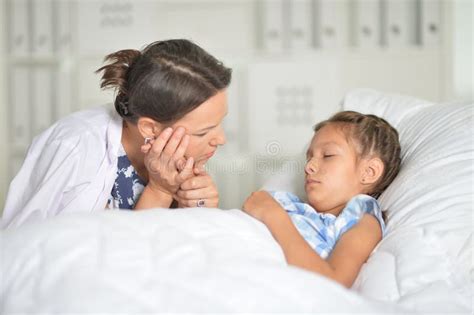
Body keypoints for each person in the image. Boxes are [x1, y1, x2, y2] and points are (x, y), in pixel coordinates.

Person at [2, 39, 232, 229]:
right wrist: (160, 191)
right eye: (203, 132)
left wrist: (196, 211)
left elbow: (172, 256)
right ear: (150, 128)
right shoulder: (75, 149)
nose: (220, 139)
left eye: (219, 123)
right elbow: (113, 263)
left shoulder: (172, 155)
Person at [242, 111, 401, 288]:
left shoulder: (362, 218)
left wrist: (275, 216)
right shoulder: (294, 206)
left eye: (328, 155)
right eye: (309, 157)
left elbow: (332, 282)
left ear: (369, 172)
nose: (309, 166)